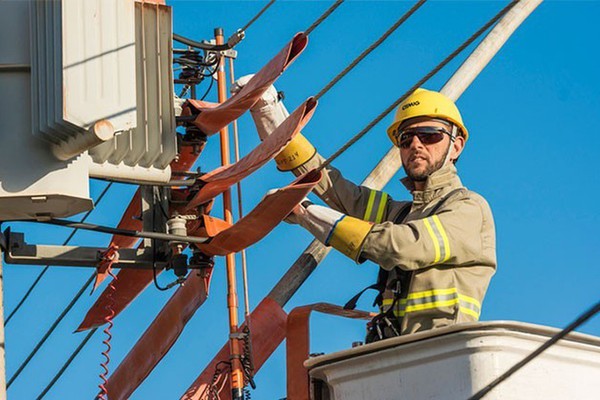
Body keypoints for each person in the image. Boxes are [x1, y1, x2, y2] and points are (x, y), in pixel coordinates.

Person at [233, 77, 496, 340]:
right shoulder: (402, 214)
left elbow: (402, 247)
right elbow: (337, 190)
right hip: (393, 355)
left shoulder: (468, 208)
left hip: (441, 353)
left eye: (429, 135)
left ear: (456, 145)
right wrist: (270, 114)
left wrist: (306, 213)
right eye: (406, 139)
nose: (416, 145)